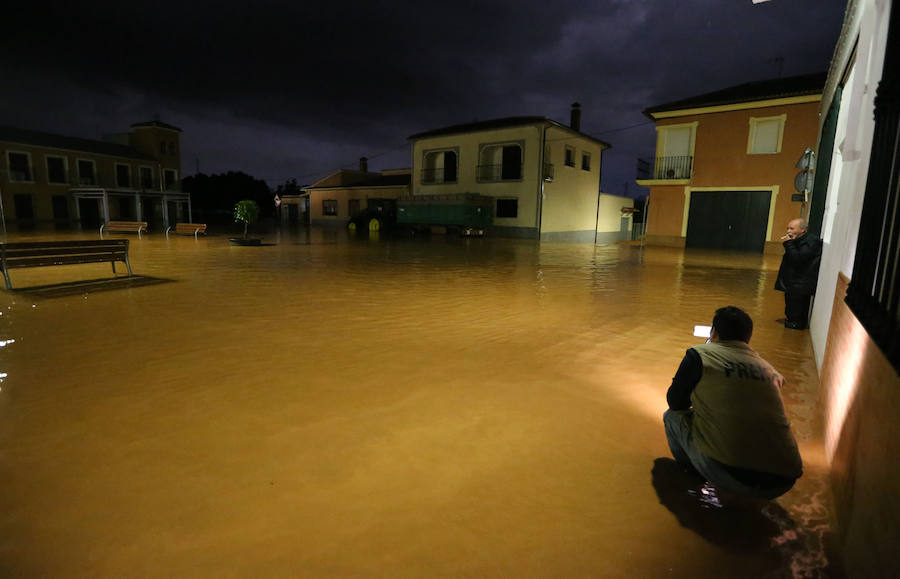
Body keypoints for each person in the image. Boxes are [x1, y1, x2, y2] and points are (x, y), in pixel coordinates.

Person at [663, 306, 803, 501]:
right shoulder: (769, 369)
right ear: (748, 338)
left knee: (672, 417)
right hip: (784, 479)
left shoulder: (700, 354)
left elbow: (675, 402)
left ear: (714, 332)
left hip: (730, 474)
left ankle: (693, 481)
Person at [775, 218, 822, 329]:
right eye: (787, 228)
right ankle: (792, 320)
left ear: (802, 230)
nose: (788, 231)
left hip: (800, 282)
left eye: (792, 228)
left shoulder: (811, 242)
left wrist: (788, 243)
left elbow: (798, 259)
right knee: (791, 303)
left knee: (796, 306)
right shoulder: (800, 240)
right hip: (795, 280)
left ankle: (795, 324)